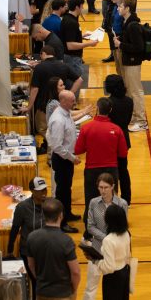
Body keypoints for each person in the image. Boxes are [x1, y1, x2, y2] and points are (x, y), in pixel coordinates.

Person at [71, 173, 128, 300]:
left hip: (116, 253)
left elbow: (123, 227)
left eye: (105, 187)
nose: (102, 191)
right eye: (100, 187)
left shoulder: (122, 204)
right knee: (90, 286)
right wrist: (107, 238)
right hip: (96, 250)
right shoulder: (93, 203)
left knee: (116, 290)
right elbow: (90, 226)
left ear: (113, 187)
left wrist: (110, 240)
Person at [75, 98, 128, 215]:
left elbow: (78, 149)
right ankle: (112, 227)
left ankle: (89, 231)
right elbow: (123, 153)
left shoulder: (86, 128)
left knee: (90, 201)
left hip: (91, 170)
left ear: (97, 109)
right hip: (111, 170)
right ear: (110, 110)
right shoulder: (117, 129)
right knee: (111, 202)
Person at [96, 203, 133, 300]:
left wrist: (97, 262)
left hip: (113, 278)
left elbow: (109, 266)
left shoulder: (108, 240)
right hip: (124, 273)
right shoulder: (126, 234)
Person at [7, 177, 50, 300]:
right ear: (32, 191)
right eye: (40, 191)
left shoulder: (50, 205)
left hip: (46, 250)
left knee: (43, 281)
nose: (43, 193)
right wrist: (9, 249)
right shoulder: (22, 208)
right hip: (28, 251)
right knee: (35, 280)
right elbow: (15, 229)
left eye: (45, 190)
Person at [28, 44, 83, 140]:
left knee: (45, 131)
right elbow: (79, 80)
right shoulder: (63, 66)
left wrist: (29, 106)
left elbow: (34, 89)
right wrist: (69, 94)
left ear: (43, 54)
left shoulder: (39, 68)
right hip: (61, 103)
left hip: (43, 106)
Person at [47, 91, 81, 228]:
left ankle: (67, 213)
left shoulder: (65, 114)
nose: (75, 103)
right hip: (62, 159)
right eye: (72, 101)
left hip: (66, 158)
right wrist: (72, 158)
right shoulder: (58, 120)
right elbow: (57, 146)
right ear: (63, 101)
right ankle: (61, 222)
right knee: (62, 192)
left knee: (67, 189)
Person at [115, 0, 148, 130]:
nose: (118, 8)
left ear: (127, 8)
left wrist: (121, 44)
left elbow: (138, 47)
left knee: (135, 91)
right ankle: (134, 117)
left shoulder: (133, 25)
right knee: (130, 90)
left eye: (120, 6)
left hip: (133, 62)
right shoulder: (127, 22)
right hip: (128, 60)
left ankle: (141, 121)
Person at [103, 74, 134, 202]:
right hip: (124, 139)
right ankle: (126, 198)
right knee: (123, 170)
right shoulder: (129, 101)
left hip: (110, 140)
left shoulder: (108, 103)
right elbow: (127, 120)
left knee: (110, 171)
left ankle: (110, 197)